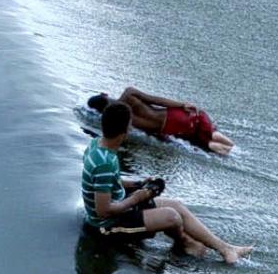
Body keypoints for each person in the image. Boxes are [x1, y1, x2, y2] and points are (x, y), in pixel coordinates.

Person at [82, 101, 252, 263]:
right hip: (106, 226)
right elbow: (103, 211)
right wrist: (137, 198)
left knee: (176, 205)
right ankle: (185, 243)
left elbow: (109, 182)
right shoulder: (104, 162)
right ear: (125, 130)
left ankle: (226, 248)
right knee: (172, 217)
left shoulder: (97, 144)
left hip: (120, 207)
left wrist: (138, 184)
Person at [87, 88, 234, 156]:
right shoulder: (128, 93)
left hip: (171, 128)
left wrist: (169, 140)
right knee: (210, 131)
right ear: (105, 94)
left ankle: (223, 149)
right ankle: (225, 141)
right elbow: (156, 100)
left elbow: (152, 134)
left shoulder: (121, 120)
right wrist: (182, 104)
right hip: (174, 115)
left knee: (203, 143)